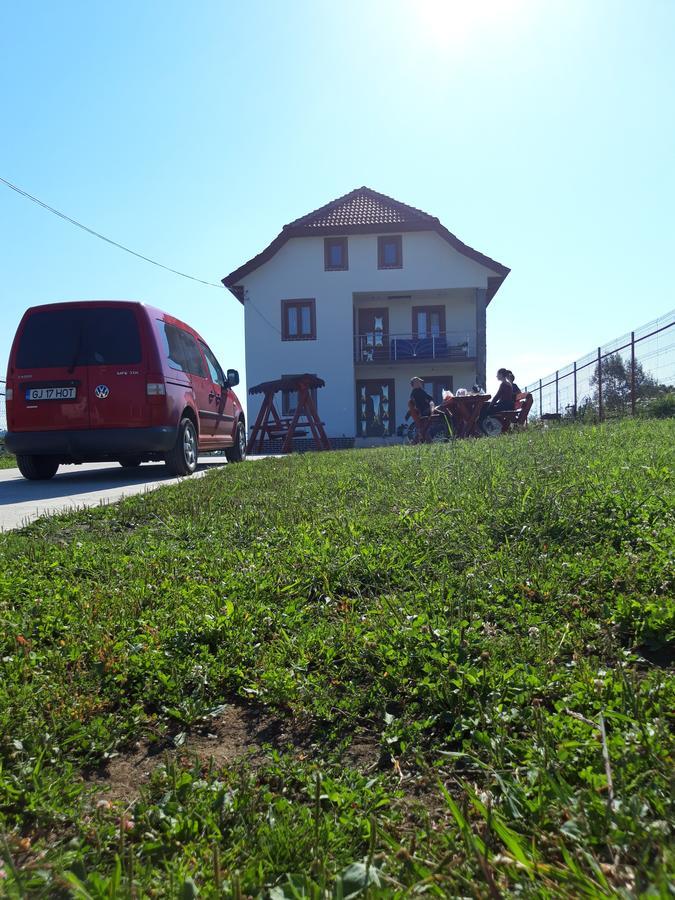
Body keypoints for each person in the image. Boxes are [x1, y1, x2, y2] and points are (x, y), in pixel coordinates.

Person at [405, 377, 434, 442]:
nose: (420, 383)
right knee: (423, 427)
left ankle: (418, 441)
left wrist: (431, 402)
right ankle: (419, 441)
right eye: (418, 382)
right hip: (423, 412)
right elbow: (414, 404)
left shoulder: (420, 391)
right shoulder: (415, 393)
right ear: (414, 384)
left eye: (420, 382)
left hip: (425, 410)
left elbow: (430, 398)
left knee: (423, 427)